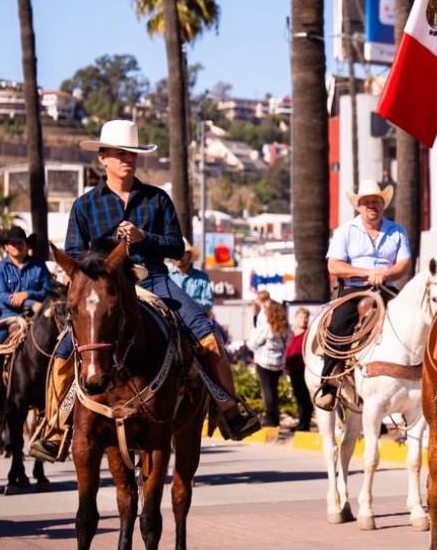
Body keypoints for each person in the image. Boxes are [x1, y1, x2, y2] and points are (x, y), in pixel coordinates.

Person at [28, 120, 261, 462]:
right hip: (104, 289)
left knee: (206, 334)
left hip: (154, 280)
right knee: (64, 351)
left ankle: (229, 408)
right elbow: (75, 257)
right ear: (103, 157)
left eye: (133, 154)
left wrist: (142, 238)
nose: (128, 160)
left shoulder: (157, 199)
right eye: (121, 154)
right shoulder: (85, 205)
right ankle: (57, 425)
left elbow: (175, 246)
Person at [316, 178, 412, 411]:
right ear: (358, 206)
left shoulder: (397, 231)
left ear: (383, 204)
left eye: (375, 201)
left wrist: (386, 273)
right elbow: (335, 266)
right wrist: (368, 273)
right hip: (354, 288)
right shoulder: (345, 231)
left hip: (387, 287)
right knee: (338, 325)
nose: (371, 206)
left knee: (411, 322)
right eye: (366, 202)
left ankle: (414, 376)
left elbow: (404, 264)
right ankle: (328, 383)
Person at [0, 226, 51, 392]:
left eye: (21, 243)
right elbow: (3, 296)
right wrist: (31, 303)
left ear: (27, 245)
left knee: (57, 344)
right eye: (13, 243)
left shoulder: (39, 267)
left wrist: (28, 294)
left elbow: (48, 290)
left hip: (37, 316)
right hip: (6, 316)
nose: (18, 246)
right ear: (6, 247)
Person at [250, 300, 288, 428]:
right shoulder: (285, 327)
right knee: (274, 389)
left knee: (267, 390)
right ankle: (275, 417)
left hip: (264, 361)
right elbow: (287, 343)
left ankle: (269, 417)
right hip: (279, 362)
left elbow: (253, 344)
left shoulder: (266, 327)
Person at [285, 307, 314, 432]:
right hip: (292, 370)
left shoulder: (308, 334)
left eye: (306, 317)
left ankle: (304, 424)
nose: (304, 320)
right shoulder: (290, 334)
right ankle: (301, 422)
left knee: (304, 398)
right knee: (298, 397)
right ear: (295, 319)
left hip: (304, 370)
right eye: (301, 317)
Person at [170, 239, 214, 315]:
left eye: (182, 253)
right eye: (175, 253)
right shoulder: (166, 276)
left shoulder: (202, 277)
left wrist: (191, 304)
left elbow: (208, 302)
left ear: (189, 255)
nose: (178, 256)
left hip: (195, 318)